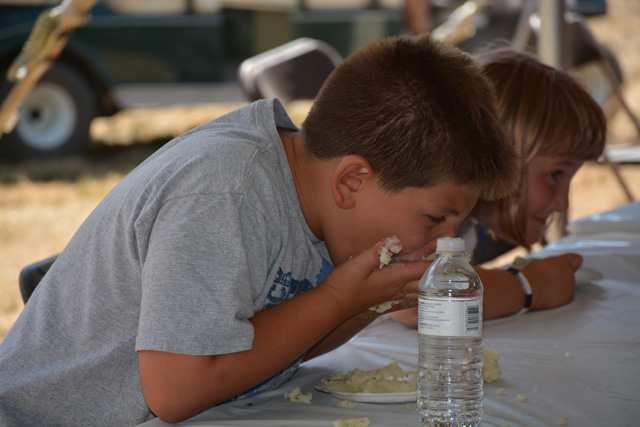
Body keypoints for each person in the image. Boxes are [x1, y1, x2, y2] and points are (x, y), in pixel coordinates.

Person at [0, 34, 519, 426]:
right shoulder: (228, 191)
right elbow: (177, 390)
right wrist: (339, 299)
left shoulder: (320, 205)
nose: (441, 240)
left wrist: (367, 303)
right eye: (435, 218)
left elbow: (268, 353)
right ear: (352, 180)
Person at [390, 47, 607, 327]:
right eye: (555, 174)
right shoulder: (424, 215)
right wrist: (528, 287)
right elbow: (416, 300)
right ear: (497, 158)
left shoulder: (467, 231)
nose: (562, 204)